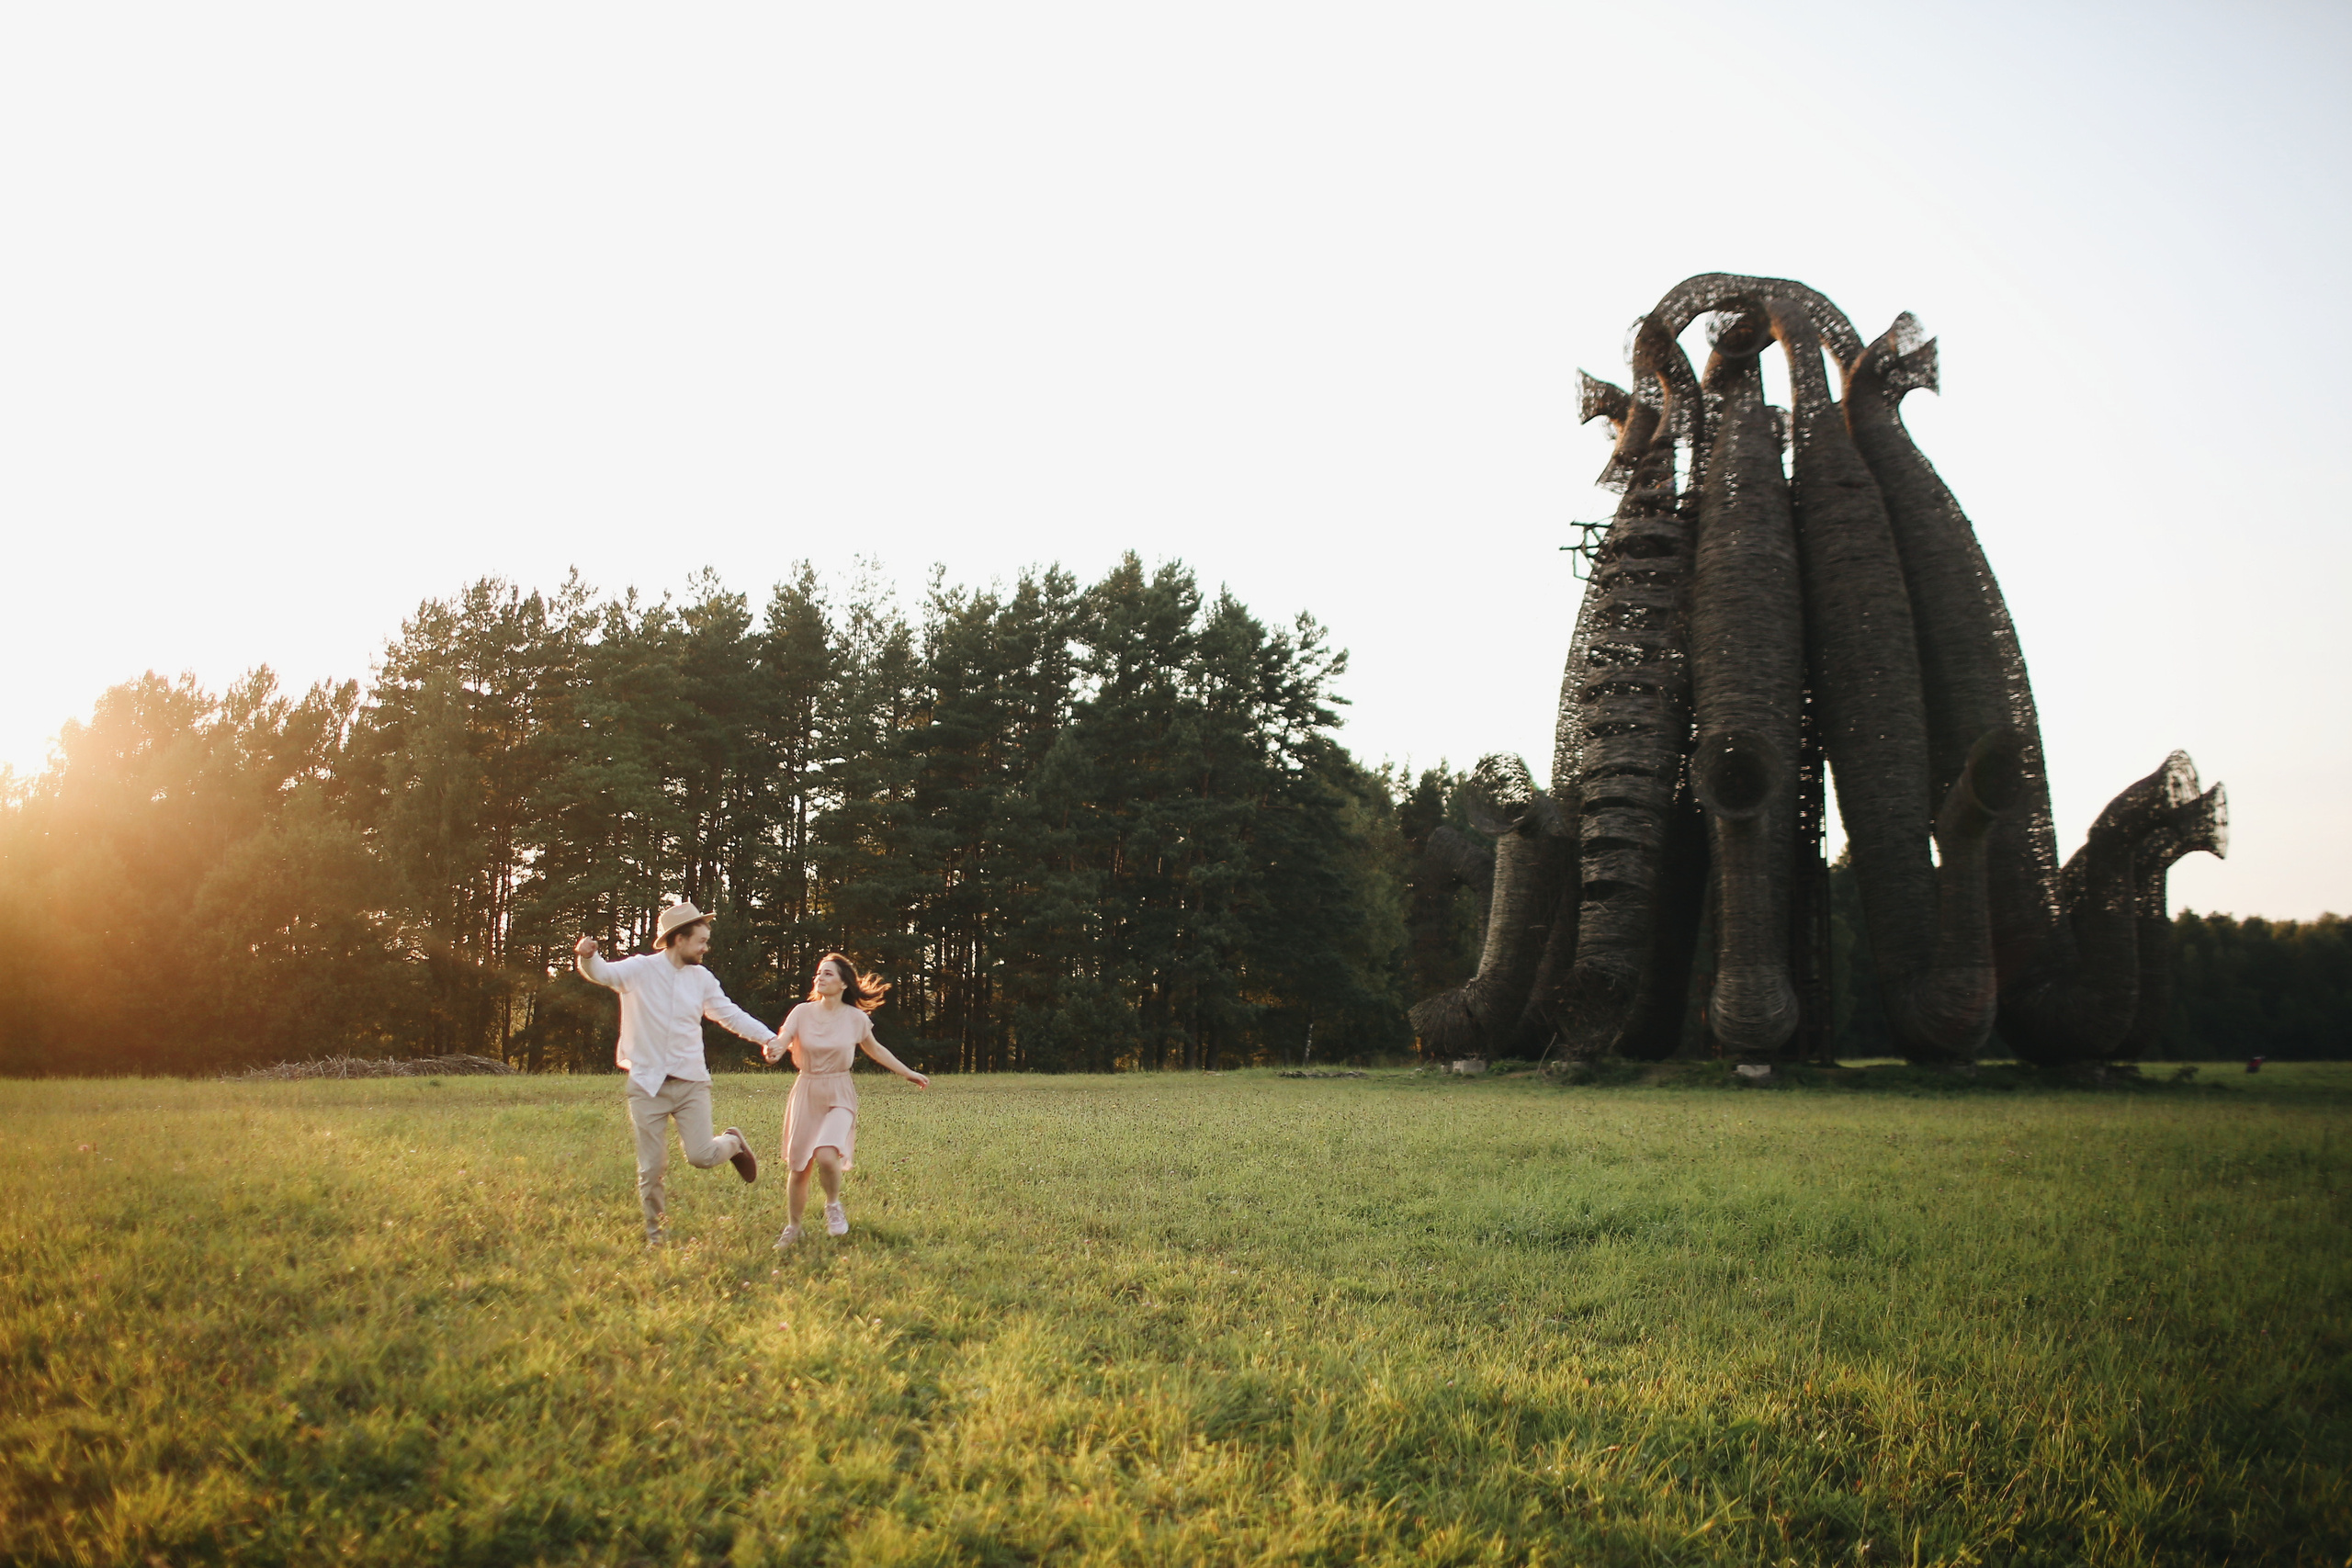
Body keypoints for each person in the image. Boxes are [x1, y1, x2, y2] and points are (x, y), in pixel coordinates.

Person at [574, 902, 778, 1247]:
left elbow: (730, 1014)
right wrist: (586, 957)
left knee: (702, 1156)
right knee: (651, 1169)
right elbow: (602, 973)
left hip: (690, 1083)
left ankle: (732, 1143)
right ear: (678, 939)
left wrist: (768, 1038)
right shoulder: (639, 970)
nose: (705, 947)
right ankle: (657, 1238)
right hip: (646, 1085)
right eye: (700, 940)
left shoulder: (702, 979)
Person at [764, 952, 928, 1246]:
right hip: (806, 1090)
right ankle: (794, 1227)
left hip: (839, 1091)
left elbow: (876, 1050)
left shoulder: (855, 1019)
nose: (820, 978)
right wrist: (774, 1048)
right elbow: (784, 1036)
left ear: (843, 984)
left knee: (827, 1154)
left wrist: (908, 1073)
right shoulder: (801, 1012)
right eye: (818, 973)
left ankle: (833, 1206)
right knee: (799, 1168)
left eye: (828, 974)